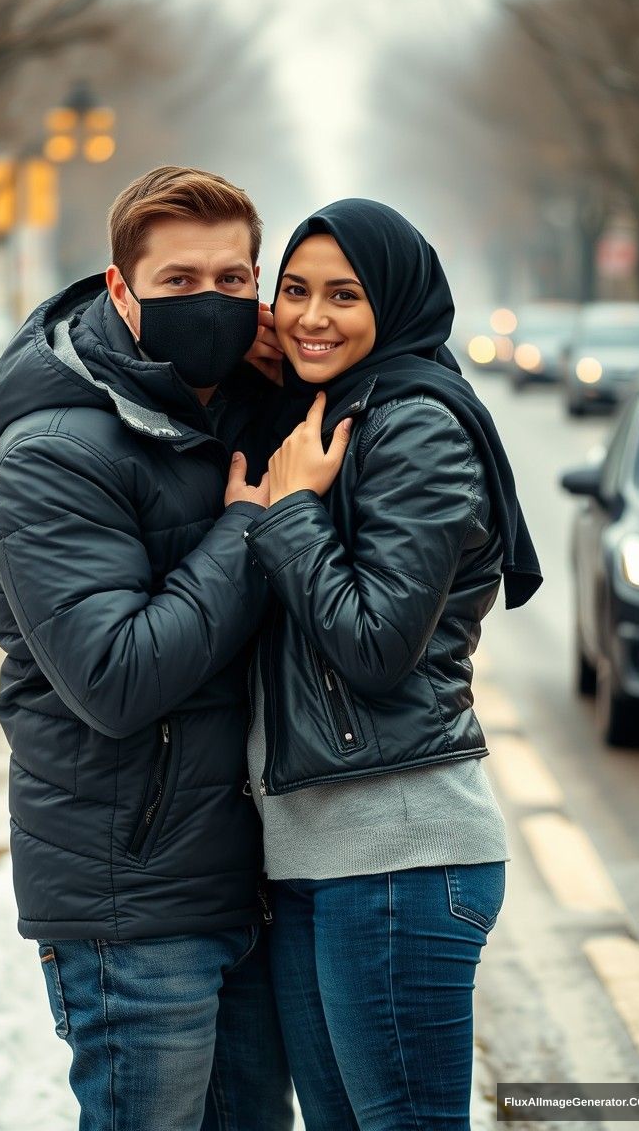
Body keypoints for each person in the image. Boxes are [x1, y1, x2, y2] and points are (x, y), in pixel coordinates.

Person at [0, 166, 292, 1131]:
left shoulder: (230, 411)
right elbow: (115, 679)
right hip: (135, 900)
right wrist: (245, 531)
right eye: (181, 282)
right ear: (121, 290)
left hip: (252, 881)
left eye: (235, 282)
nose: (213, 303)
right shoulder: (55, 455)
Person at [242, 199, 542, 1131]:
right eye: (293, 291)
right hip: (316, 851)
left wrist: (286, 516)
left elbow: (375, 647)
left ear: (397, 304)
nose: (311, 316)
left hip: (397, 851)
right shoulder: (334, 414)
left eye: (343, 295)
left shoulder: (414, 423)